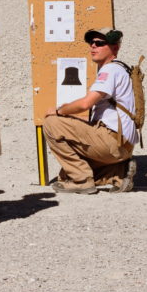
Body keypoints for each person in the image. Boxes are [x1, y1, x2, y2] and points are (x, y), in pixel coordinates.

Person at [42, 27, 139, 195]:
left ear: (115, 48)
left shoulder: (110, 70)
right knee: (64, 176)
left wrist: (58, 111)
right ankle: (119, 172)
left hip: (111, 139)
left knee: (51, 123)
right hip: (122, 144)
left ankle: (81, 181)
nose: (93, 46)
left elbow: (85, 104)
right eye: (91, 42)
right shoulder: (120, 68)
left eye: (100, 43)